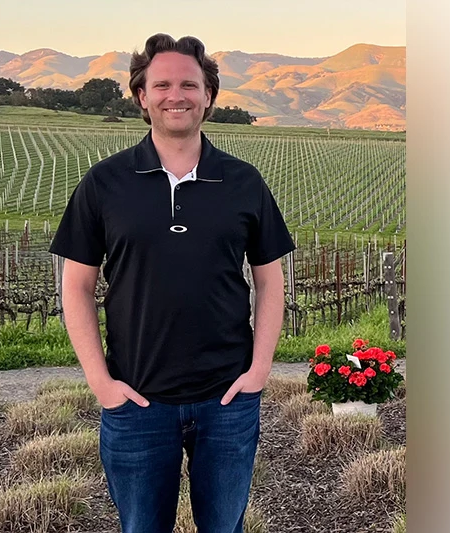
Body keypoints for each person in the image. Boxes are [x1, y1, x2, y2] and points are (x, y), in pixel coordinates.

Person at [49, 33, 295, 533]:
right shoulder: (105, 183)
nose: (175, 95)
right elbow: (75, 288)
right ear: (142, 96)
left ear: (209, 95)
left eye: (189, 83)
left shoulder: (243, 182)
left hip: (228, 399)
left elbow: (271, 282)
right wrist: (102, 384)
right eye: (161, 84)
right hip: (136, 401)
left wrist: (259, 373)